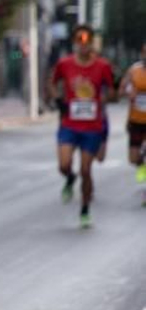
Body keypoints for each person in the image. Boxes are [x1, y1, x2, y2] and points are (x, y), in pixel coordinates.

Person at [49, 24, 115, 229]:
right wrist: (58, 99)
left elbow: (112, 91)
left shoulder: (102, 66)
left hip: (92, 127)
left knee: (86, 169)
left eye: (86, 41)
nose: (83, 45)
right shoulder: (64, 64)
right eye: (79, 40)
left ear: (92, 43)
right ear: (74, 42)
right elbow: (52, 83)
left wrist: (104, 99)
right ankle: (70, 178)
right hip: (69, 124)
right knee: (64, 164)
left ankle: (85, 209)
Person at [122, 39, 146, 201]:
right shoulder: (134, 70)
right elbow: (122, 88)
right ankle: (141, 163)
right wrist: (128, 92)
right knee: (133, 158)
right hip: (136, 120)